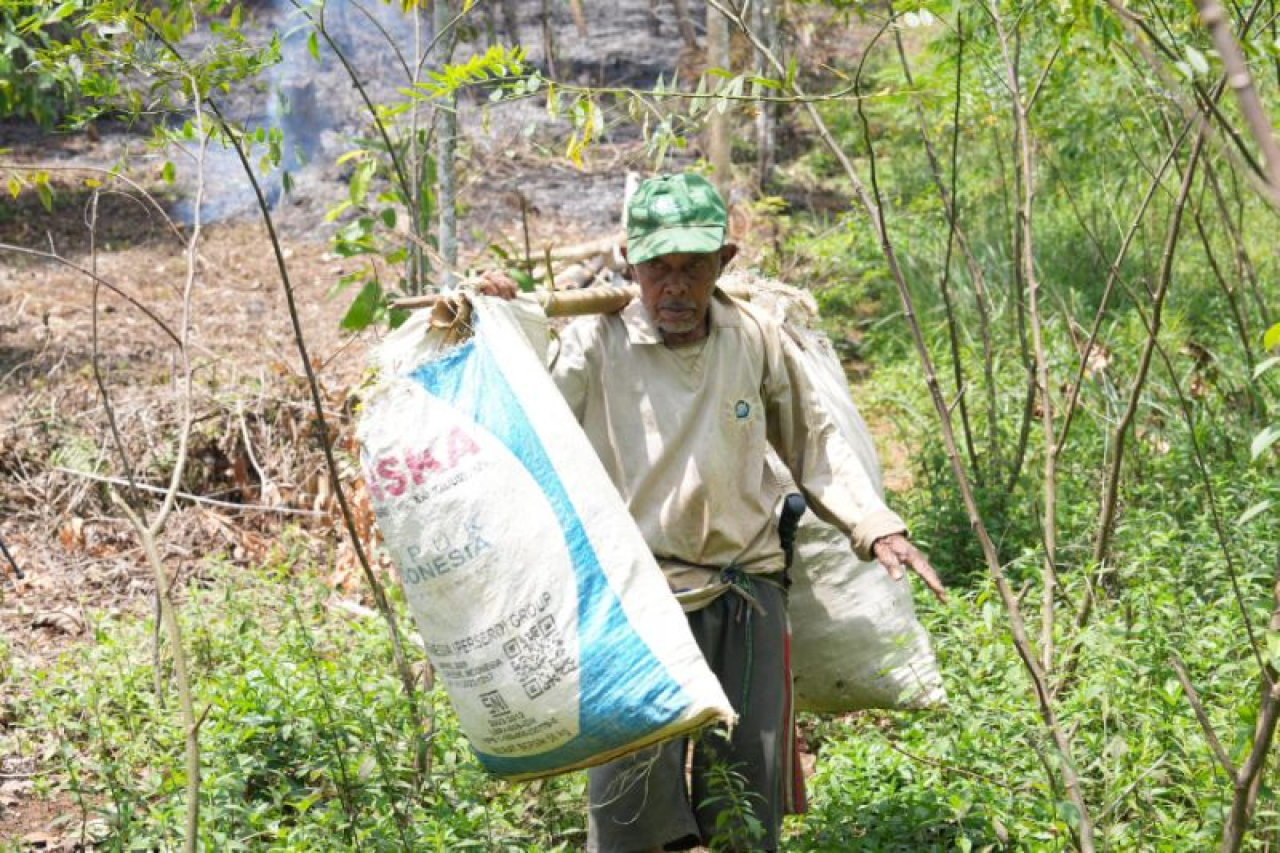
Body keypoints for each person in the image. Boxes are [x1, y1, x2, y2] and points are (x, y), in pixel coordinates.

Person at [479, 172, 945, 852]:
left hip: (745, 586)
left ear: (723, 262)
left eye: (692, 267)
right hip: (637, 598)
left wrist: (875, 527)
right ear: (630, 265)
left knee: (745, 804)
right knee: (630, 809)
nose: (674, 287)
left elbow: (814, 442)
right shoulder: (594, 344)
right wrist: (502, 320)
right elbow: (527, 416)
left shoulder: (753, 336)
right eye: (658, 269)